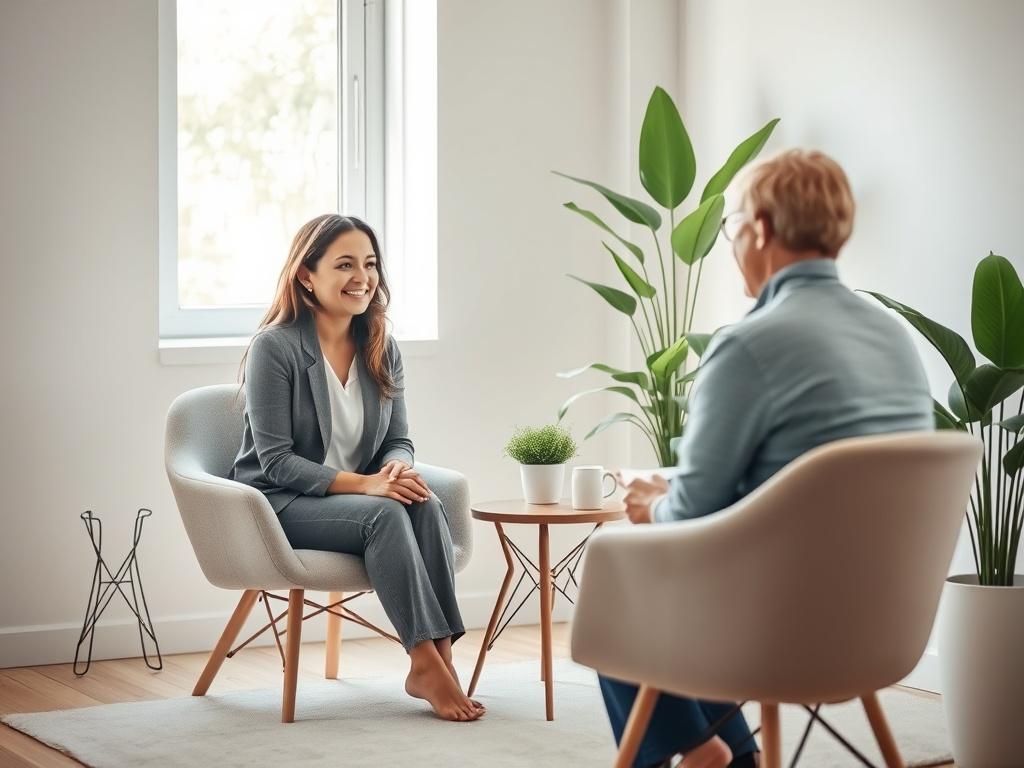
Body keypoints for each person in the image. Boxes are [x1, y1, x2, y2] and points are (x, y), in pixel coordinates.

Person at [604, 149, 934, 767]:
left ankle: (701, 751)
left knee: (620, 570)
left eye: (731, 230)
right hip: (884, 625)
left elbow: (692, 515)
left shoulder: (750, 346)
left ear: (759, 229)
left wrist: (652, 502)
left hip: (774, 631)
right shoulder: (895, 337)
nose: (732, 248)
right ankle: (736, 756)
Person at [230, 214, 483, 722]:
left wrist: (392, 472)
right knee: (384, 516)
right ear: (307, 274)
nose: (362, 277)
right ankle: (424, 663)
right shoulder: (274, 347)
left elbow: (399, 440)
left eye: (369, 264)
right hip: (279, 502)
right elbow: (277, 462)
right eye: (344, 264)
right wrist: (368, 486)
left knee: (425, 505)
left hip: (354, 495)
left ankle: (441, 656)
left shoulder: (380, 344)